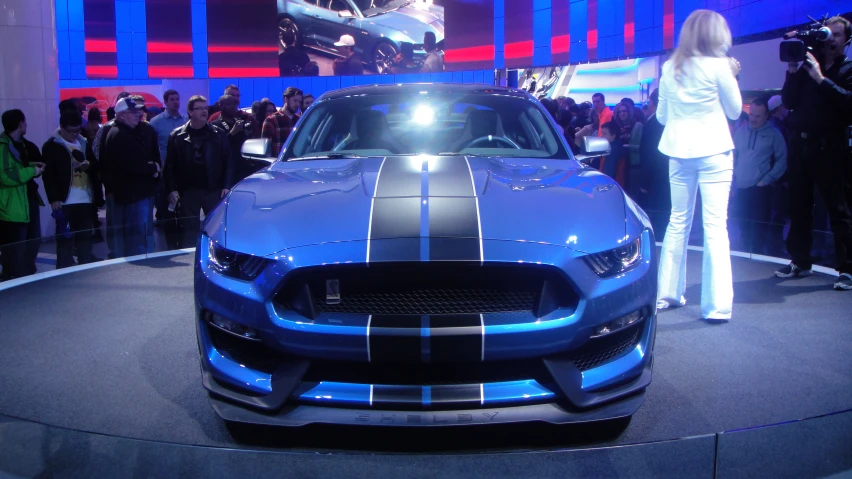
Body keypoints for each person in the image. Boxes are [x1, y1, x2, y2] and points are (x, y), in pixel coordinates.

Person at [655, 9, 742, 321]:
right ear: (716, 35)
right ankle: (717, 307)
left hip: (679, 151)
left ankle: (666, 294)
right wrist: (731, 74)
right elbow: (734, 112)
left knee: (677, 221)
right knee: (715, 226)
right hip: (715, 151)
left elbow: (662, 117)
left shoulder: (669, 67)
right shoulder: (721, 67)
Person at [776, 15, 852, 290]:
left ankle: (847, 269)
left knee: (838, 209)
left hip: (831, 146)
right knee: (798, 206)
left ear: (847, 41)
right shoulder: (808, 65)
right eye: (827, 33)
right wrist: (794, 67)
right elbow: (788, 101)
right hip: (801, 144)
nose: (831, 39)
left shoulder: (848, 68)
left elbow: (848, 104)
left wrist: (821, 79)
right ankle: (800, 261)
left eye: (837, 35)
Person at [164, 95, 234, 248]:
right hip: (188, 190)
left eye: (206, 108)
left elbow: (228, 161)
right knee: (189, 231)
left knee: (215, 229)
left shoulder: (218, 134)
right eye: (199, 108)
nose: (204, 111)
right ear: (190, 112)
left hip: (213, 189)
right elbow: (170, 166)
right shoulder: (177, 136)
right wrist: (172, 189)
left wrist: (227, 185)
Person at [101, 97, 161, 257]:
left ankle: (146, 259)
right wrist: (152, 167)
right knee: (138, 235)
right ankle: (142, 265)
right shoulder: (119, 134)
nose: (138, 114)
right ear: (121, 115)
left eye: (139, 111)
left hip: (139, 192)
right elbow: (132, 165)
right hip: (133, 194)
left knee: (142, 232)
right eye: (133, 112)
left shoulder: (138, 131)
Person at [731, 96, 788, 253]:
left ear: (766, 116)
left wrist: (767, 180)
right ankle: (744, 259)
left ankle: (757, 260)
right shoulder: (740, 132)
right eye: (751, 115)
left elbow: (782, 160)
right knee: (743, 228)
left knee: (758, 231)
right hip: (741, 187)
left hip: (761, 190)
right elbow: (734, 156)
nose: (753, 119)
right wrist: (733, 180)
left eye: (757, 116)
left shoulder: (774, 135)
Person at [42, 110, 96, 267]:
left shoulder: (84, 142)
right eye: (71, 131)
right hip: (64, 200)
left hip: (85, 198)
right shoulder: (52, 145)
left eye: (78, 130)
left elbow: (95, 164)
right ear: (61, 127)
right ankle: (64, 272)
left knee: (85, 238)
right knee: (65, 239)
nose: (74, 134)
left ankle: (85, 268)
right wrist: (54, 199)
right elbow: (48, 175)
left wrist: (88, 165)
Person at [0, 110, 45, 280]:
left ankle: (27, 277)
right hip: (12, 206)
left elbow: (18, 167)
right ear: (20, 123)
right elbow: (6, 176)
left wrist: (33, 166)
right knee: (15, 249)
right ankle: (13, 280)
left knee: (33, 243)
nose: (26, 124)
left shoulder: (23, 145)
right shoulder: (2, 147)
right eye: (25, 121)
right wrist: (32, 170)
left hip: (28, 200)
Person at [262, 87, 303, 157]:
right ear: (286, 99)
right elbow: (264, 149)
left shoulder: (300, 120)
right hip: (277, 163)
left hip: (297, 162)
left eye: (299, 102)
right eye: (295, 100)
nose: (297, 104)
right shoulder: (271, 120)